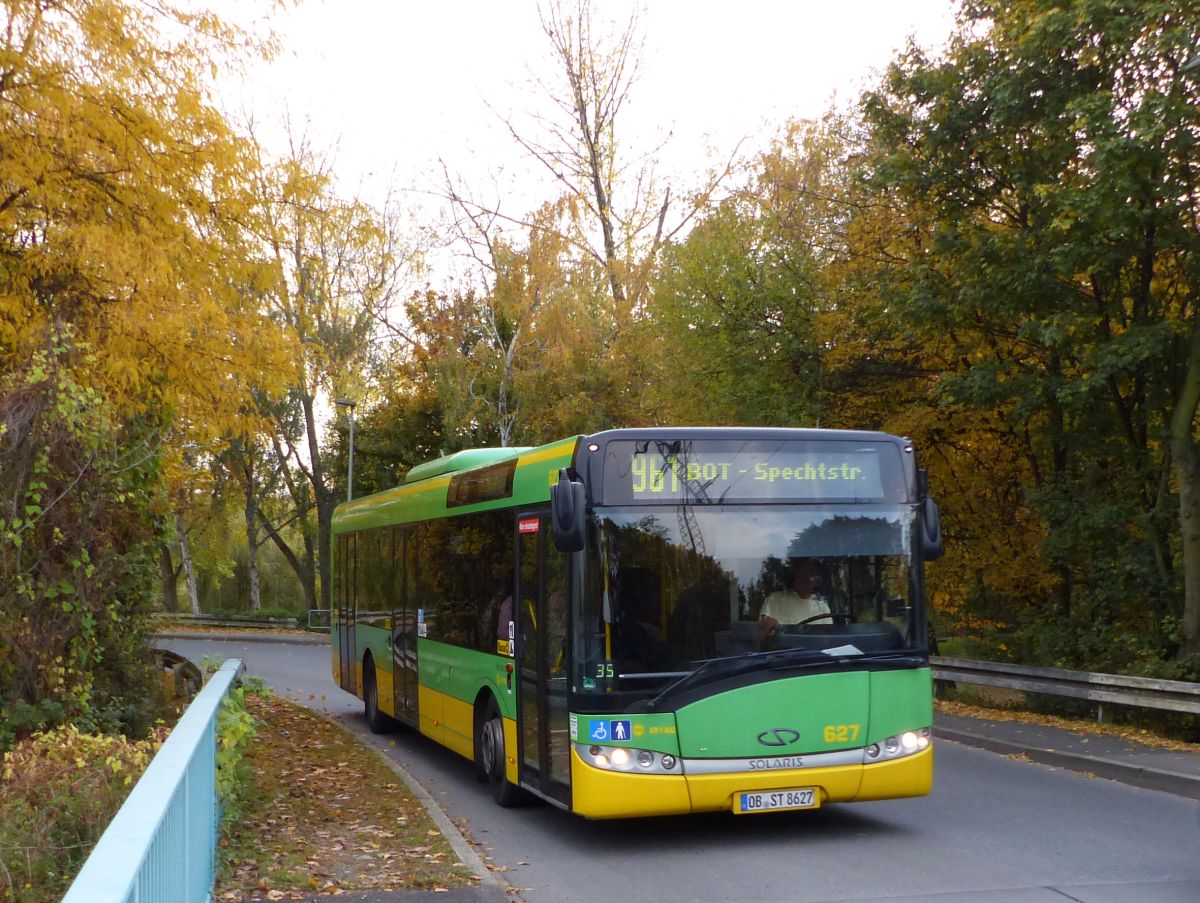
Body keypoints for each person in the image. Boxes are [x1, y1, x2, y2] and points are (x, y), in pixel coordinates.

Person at [760, 559, 830, 635]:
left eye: (811, 574)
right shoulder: (775, 599)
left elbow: (828, 638)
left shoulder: (822, 606)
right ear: (795, 576)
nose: (807, 579)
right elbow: (765, 633)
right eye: (802, 573)